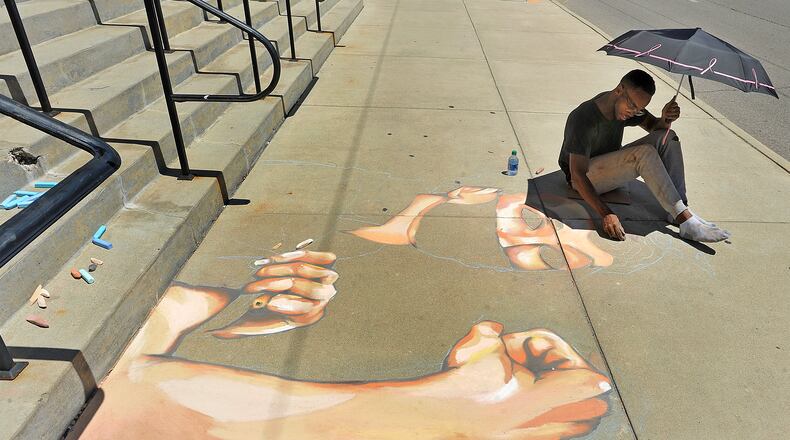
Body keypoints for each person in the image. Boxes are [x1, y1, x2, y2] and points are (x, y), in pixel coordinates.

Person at [558, 69, 730, 243]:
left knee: (668, 137)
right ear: (619, 90)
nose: (634, 112)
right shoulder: (583, 118)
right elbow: (577, 175)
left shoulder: (625, 106)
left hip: (606, 166)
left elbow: (656, 128)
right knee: (644, 153)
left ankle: (679, 209)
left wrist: (666, 118)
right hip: (581, 179)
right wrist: (606, 213)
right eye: (632, 106)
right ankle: (686, 221)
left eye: (640, 109)